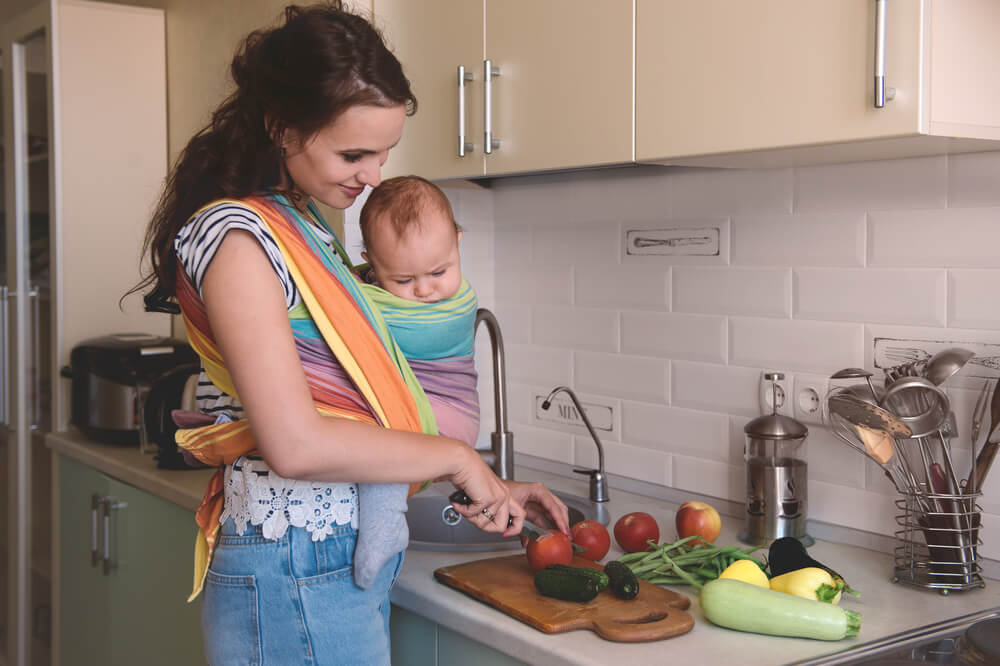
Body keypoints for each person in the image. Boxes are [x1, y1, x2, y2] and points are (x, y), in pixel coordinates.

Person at [130, 4, 569, 665]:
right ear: (283, 128)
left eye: (383, 153)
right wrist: (458, 459)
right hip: (294, 559)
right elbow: (297, 445)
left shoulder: (302, 226)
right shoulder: (240, 238)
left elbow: (359, 399)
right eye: (354, 154)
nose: (373, 176)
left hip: (322, 555)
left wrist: (488, 484)